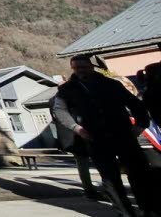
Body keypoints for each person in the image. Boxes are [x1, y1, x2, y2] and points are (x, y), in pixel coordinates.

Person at [53, 54, 157, 216]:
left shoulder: (111, 84)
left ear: (91, 67)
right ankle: (125, 212)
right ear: (73, 69)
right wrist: (76, 128)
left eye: (84, 67)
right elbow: (59, 110)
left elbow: (134, 103)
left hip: (123, 133)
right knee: (110, 179)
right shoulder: (67, 90)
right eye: (77, 67)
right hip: (95, 137)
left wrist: (141, 124)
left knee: (139, 173)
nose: (81, 70)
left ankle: (148, 208)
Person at [50, 93, 100, 200]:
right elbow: (58, 117)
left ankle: (92, 189)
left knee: (87, 162)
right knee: (84, 162)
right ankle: (90, 189)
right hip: (76, 135)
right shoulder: (60, 99)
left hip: (77, 134)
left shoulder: (57, 99)